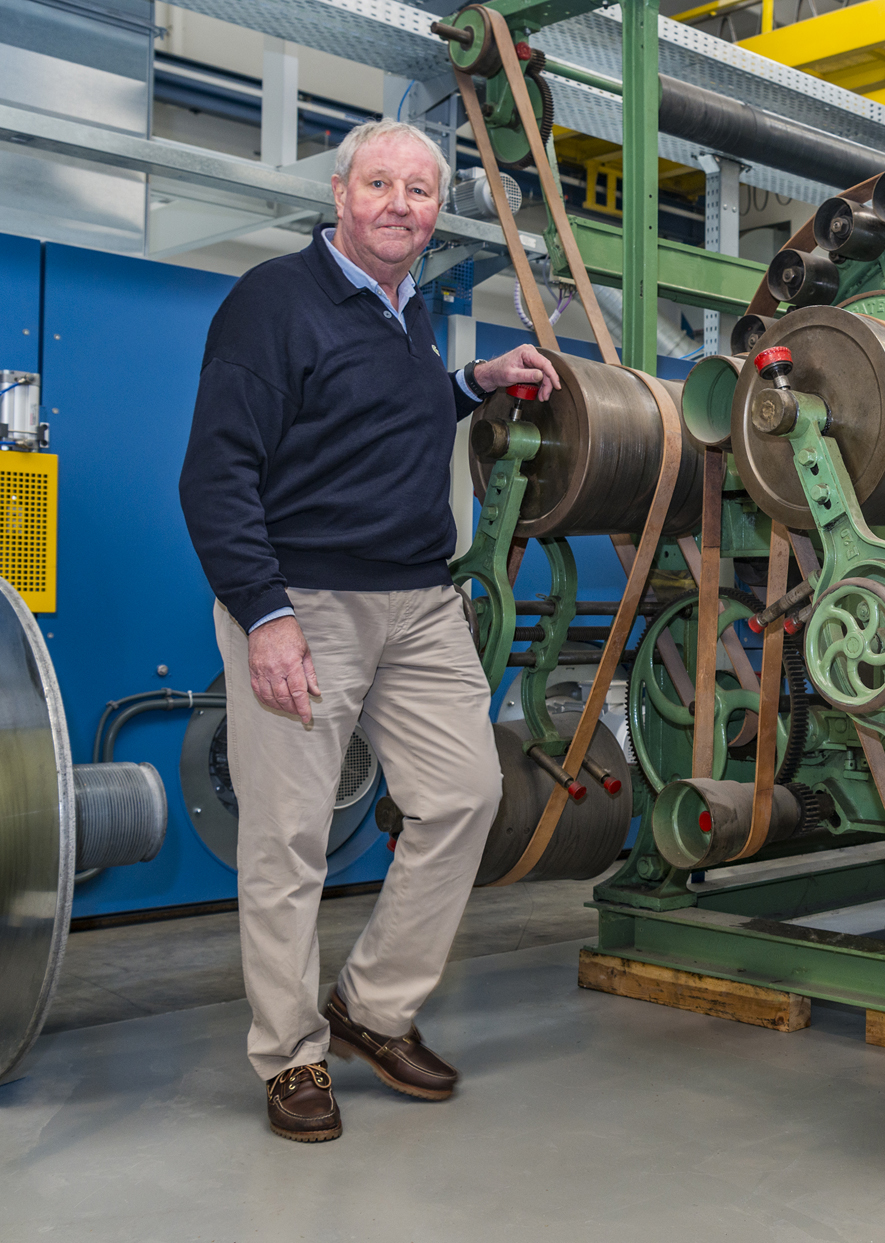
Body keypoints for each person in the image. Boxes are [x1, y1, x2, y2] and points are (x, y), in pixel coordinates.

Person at [179, 119, 562, 1143]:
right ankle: (291, 1055)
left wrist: (470, 388)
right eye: (381, 184)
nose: (401, 204)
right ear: (341, 193)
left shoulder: (416, 310)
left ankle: (372, 1008)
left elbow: (377, 424)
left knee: (466, 794)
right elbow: (215, 475)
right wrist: (265, 615)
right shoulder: (272, 302)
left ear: (438, 212)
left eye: (421, 190)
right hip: (303, 599)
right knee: (289, 837)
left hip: (419, 599)